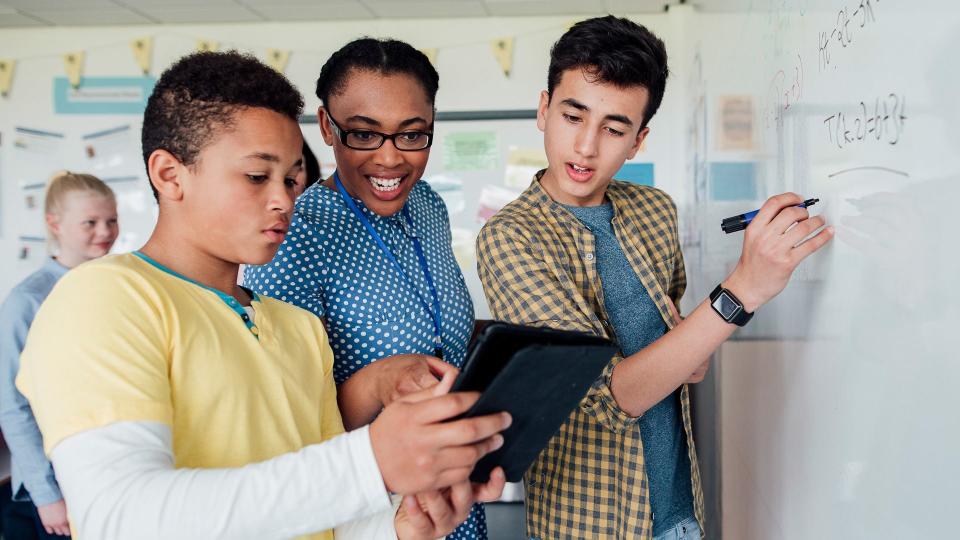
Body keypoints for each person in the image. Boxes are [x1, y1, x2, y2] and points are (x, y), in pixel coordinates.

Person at [16, 51, 508, 540]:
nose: (284, 199)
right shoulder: (104, 299)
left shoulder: (298, 328)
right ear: (169, 174)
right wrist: (372, 461)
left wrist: (398, 525)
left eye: (292, 178)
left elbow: (324, 517)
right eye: (257, 176)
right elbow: (120, 516)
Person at [475, 16, 833, 540]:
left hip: (680, 510)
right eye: (573, 116)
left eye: (614, 129)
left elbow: (682, 350)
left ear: (638, 140)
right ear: (542, 110)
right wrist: (742, 290)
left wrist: (692, 346)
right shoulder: (510, 238)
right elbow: (606, 399)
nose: (587, 146)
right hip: (590, 523)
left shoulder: (654, 211)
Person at [245, 37, 489, 540]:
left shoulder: (428, 207)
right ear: (326, 127)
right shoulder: (294, 234)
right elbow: (288, 425)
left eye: (412, 135)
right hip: (372, 512)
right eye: (364, 135)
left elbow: (437, 334)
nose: (390, 159)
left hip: (455, 496)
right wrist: (379, 379)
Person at [0, 171, 118, 539]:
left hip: (106, 474)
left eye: (111, 220)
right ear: (55, 224)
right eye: (91, 222)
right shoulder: (28, 300)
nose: (105, 231)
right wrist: (47, 494)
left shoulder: (117, 285)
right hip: (54, 486)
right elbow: (13, 405)